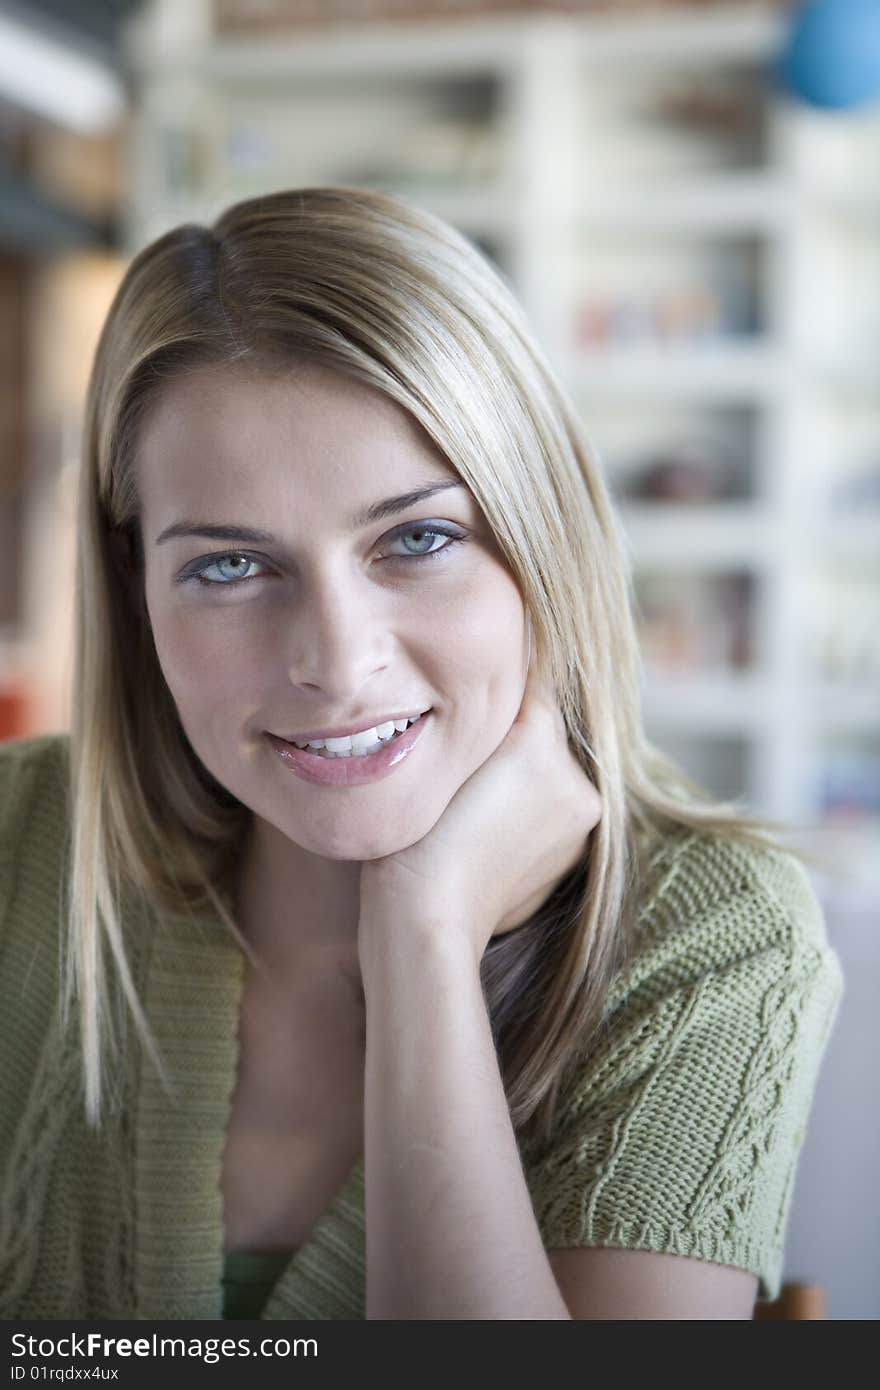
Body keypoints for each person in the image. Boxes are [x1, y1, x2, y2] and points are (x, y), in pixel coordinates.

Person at [0, 186, 843, 1321]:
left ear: (541, 538)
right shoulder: (19, 842)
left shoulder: (709, 936)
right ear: (134, 584)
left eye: (419, 538)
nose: (337, 665)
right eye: (230, 567)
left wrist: (424, 935)